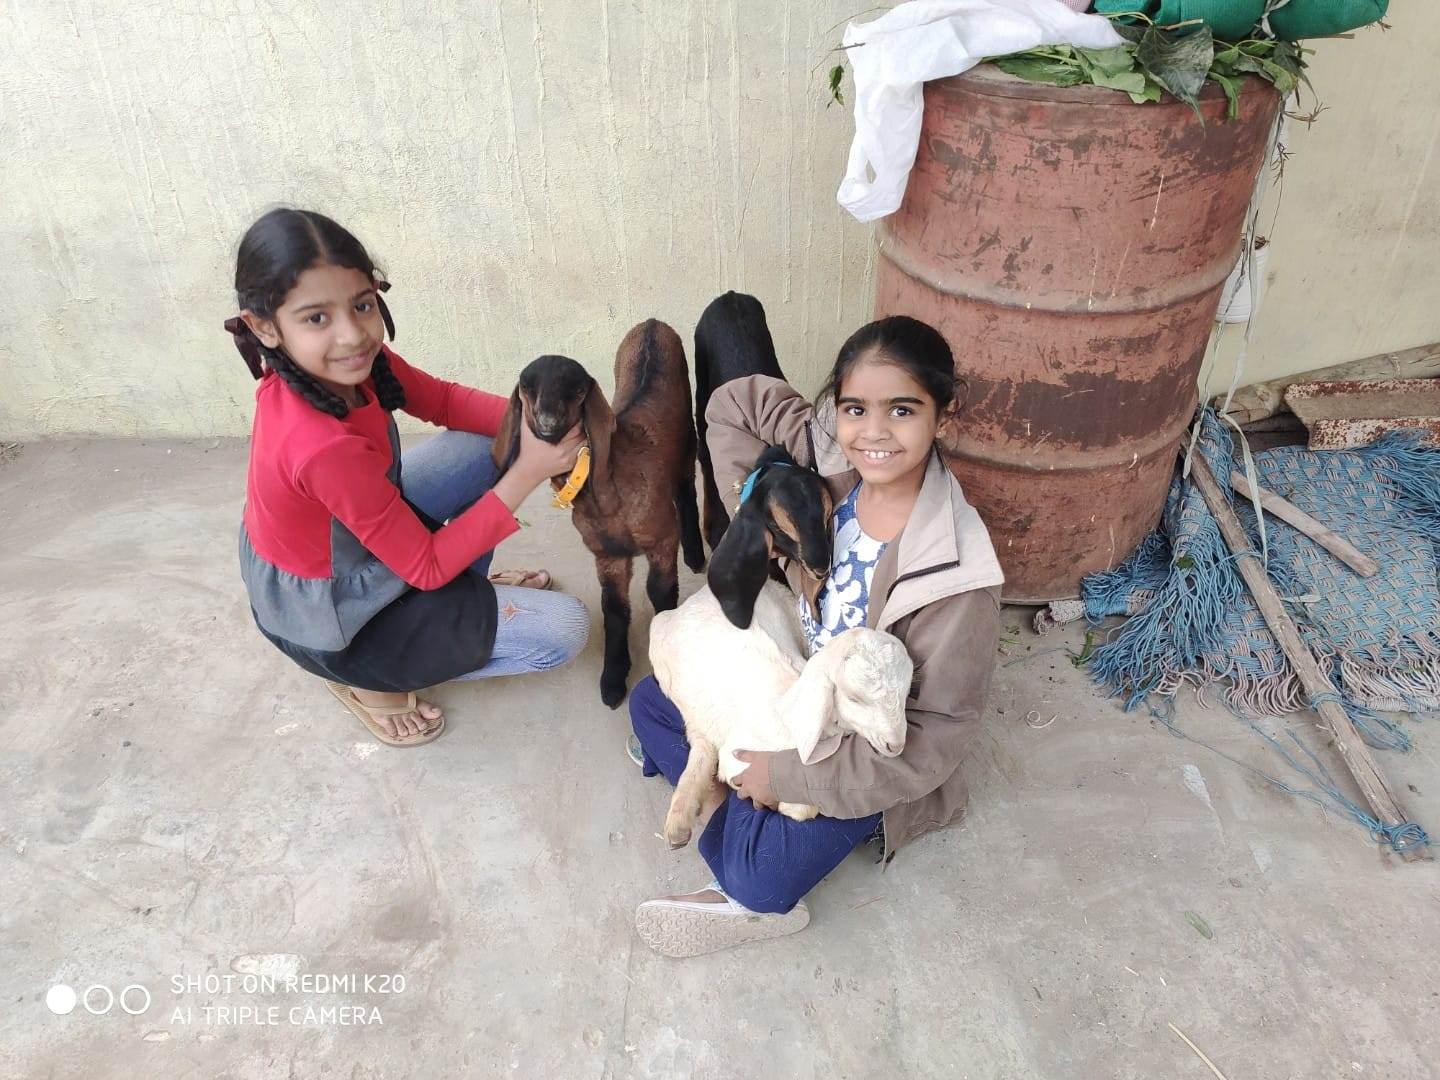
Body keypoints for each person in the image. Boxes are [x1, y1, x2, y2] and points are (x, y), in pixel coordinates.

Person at [628, 315, 1004, 956]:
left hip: (856, 746)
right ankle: (742, 803)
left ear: (945, 417)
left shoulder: (956, 574)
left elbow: (930, 741)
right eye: (857, 408)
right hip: (793, 688)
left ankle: (746, 823)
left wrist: (789, 780)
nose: (875, 432)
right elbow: (731, 407)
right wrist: (758, 507)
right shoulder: (831, 460)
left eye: (904, 410)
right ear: (836, 411)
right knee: (648, 704)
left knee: (758, 871)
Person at [227, 208, 589, 746]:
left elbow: (442, 399)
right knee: (566, 631)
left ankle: (468, 599)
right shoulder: (321, 445)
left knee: (490, 443)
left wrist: (531, 428)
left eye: (362, 305)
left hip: (354, 541)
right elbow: (425, 565)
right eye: (316, 318)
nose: (352, 334)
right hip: (336, 617)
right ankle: (364, 683)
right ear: (263, 326)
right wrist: (532, 468)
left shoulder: (353, 364)